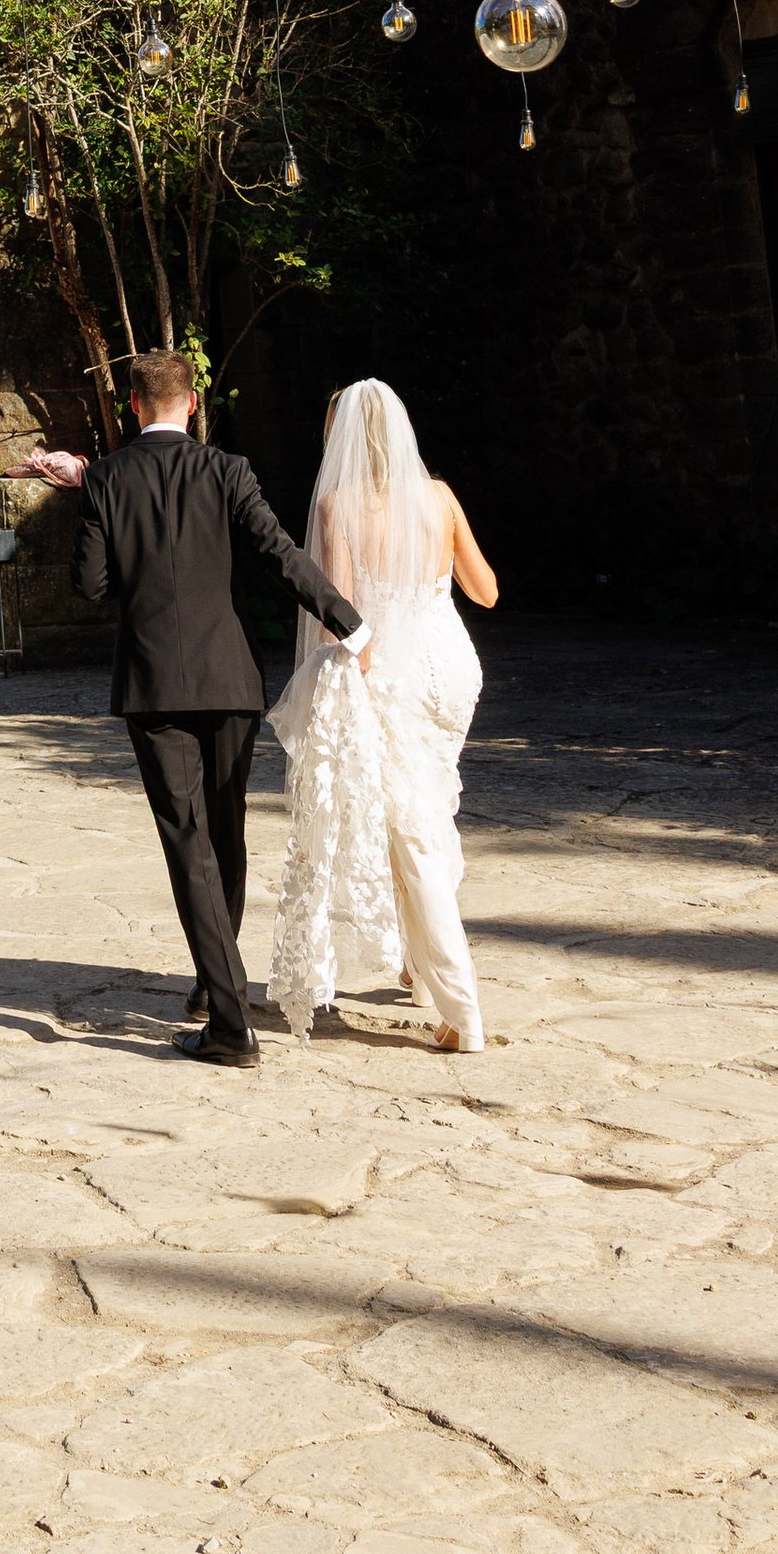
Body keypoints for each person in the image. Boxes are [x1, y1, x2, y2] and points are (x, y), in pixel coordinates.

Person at [64, 347, 360, 1070]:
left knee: (187, 841)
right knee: (224, 834)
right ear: (190, 404)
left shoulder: (106, 478)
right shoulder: (228, 471)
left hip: (156, 685)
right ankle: (211, 983)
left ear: (135, 405)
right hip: (229, 681)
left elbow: (91, 585)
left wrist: (90, 496)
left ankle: (229, 1023)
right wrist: (350, 620)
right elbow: (277, 551)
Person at [266, 378, 496, 1053]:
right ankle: (420, 970)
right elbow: (485, 591)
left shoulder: (338, 508)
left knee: (414, 829)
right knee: (425, 812)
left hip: (390, 673)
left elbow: (338, 623)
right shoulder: (442, 497)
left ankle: (462, 1006)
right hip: (452, 671)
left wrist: (324, 689)